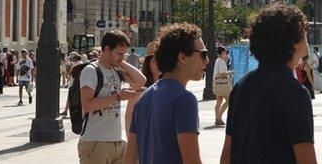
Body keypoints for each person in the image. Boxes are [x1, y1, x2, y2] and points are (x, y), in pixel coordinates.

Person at [219, 4, 316, 164]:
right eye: (304, 33)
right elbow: (306, 159)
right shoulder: (295, 93)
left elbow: (227, 155)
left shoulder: (241, 86)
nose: (307, 39)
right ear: (293, 42)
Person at [125, 23, 204, 164]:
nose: (207, 60)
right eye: (203, 54)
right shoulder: (184, 99)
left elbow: (129, 159)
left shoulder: (143, 98)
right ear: (183, 57)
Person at [77, 30, 146, 164]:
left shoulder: (116, 71)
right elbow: (87, 105)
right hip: (95, 141)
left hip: (115, 141)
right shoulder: (91, 71)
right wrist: (119, 97)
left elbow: (140, 80)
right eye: (119, 53)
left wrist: (120, 62)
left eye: (124, 54)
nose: (122, 57)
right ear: (107, 49)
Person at [210, 48, 231, 126]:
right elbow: (222, 73)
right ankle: (219, 117)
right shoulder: (221, 61)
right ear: (222, 53)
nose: (225, 54)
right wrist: (230, 72)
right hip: (222, 84)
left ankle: (217, 118)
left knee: (219, 101)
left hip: (217, 83)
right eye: (225, 52)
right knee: (229, 100)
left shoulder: (217, 61)